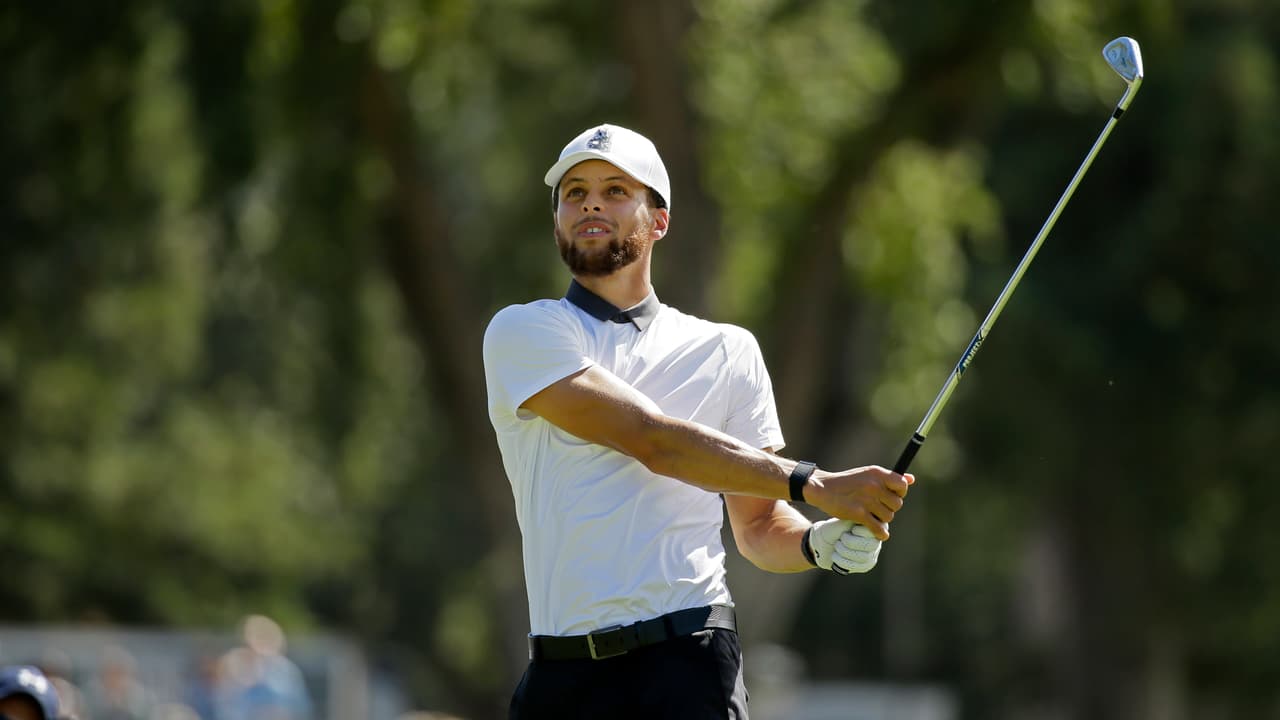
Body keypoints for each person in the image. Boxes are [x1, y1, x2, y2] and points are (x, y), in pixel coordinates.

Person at [482, 123, 915, 719]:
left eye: (614, 190)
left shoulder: (727, 351)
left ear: (658, 219)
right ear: (557, 217)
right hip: (564, 674)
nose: (590, 204)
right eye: (574, 193)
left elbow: (759, 527)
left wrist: (818, 543)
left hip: (689, 662)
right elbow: (653, 441)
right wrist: (816, 484)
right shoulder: (524, 332)